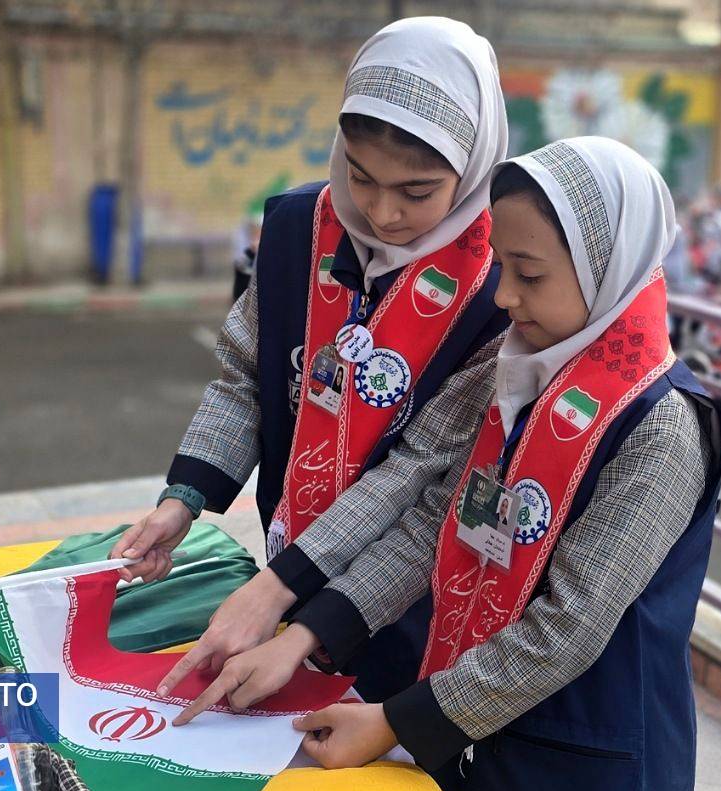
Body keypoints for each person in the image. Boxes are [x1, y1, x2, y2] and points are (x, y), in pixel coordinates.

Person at [172, 138, 721, 791]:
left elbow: (566, 631)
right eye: (503, 268)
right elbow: (435, 523)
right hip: (478, 742)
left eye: (530, 274)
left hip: (586, 757)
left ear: (609, 267)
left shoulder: (661, 427)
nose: (507, 296)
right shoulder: (521, 366)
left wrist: (395, 722)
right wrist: (304, 637)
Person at [111, 17, 511, 704]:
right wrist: (184, 501)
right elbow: (246, 378)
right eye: (361, 178)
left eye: (416, 191)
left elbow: (423, 477)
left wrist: (280, 596)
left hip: (408, 595)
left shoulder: (497, 290)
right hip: (285, 567)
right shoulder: (300, 230)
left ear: (473, 165)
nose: (383, 213)